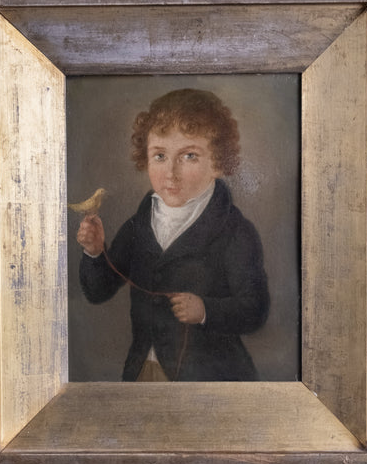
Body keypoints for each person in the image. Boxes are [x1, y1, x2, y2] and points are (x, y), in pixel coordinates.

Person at [77, 88, 269, 382]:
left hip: (211, 379)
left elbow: (255, 309)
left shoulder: (234, 231)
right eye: (160, 156)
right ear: (145, 159)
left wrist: (205, 310)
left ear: (218, 163)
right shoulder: (139, 225)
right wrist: (94, 252)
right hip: (143, 371)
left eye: (189, 156)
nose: (171, 172)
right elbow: (98, 291)